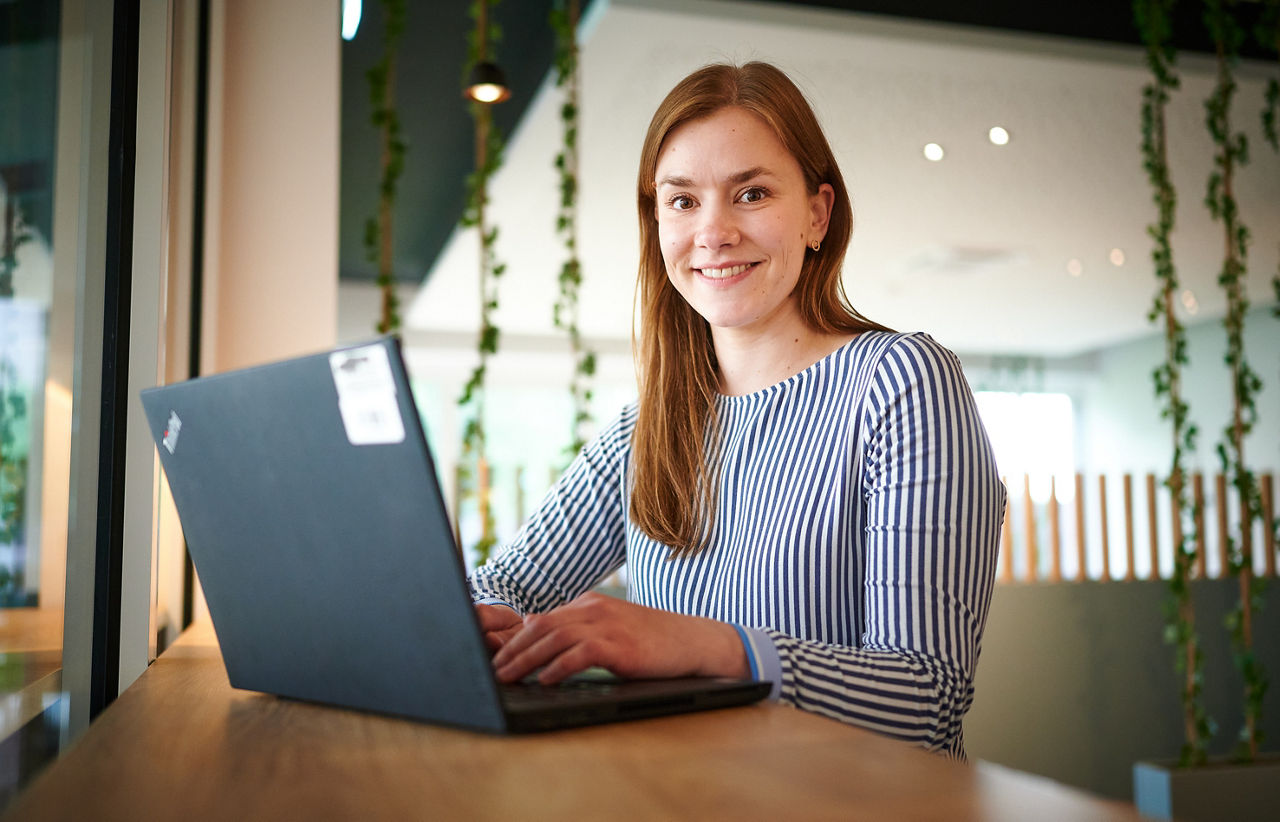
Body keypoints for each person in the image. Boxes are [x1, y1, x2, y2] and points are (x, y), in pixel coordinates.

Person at [470, 61, 1005, 759]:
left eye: (751, 193)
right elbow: (506, 584)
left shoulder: (900, 382)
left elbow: (926, 698)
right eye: (682, 201)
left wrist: (707, 647)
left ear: (817, 214)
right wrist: (472, 621)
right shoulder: (650, 427)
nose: (713, 232)